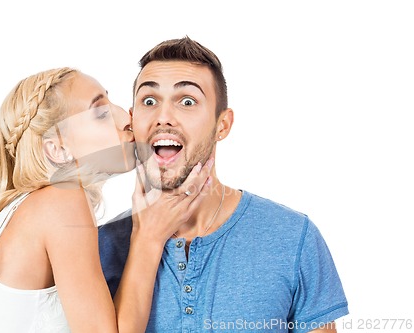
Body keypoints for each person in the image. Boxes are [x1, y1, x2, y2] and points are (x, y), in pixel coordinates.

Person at [98, 37, 349, 333]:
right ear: (132, 119)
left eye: (187, 101)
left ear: (223, 125)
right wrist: (145, 240)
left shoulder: (294, 238)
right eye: (149, 101)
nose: (163, 117)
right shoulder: (98, 249)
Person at [0, 67, 213, 333]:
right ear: (58, 148)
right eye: (101, 113)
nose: (127, 118)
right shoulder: (59, 203)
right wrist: (149, 236)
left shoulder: (30, 209)